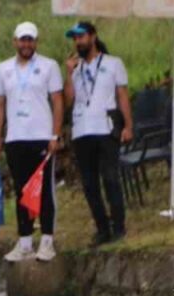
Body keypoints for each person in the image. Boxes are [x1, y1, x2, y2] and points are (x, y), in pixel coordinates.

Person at [0, 21, 65, 263]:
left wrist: (55, 134)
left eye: (30, 40)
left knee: (44, 191)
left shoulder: (48, 66)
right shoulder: (4, 69)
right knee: (22, 191)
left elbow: (57, 101)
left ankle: (47, 241)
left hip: (41, 137)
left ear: (36, 42)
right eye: (22, 40)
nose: (26, 44)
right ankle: (24, 242)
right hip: (15, 138)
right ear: (15, 41)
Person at [63, 21, 134, 246]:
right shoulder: (77, 68)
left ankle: (118, 226)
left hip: (105, 128)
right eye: (75, 38)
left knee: (111, 178)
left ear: (93, 37)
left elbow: (122, 95)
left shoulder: (113, 64)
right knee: (89, 183)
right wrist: (69, 73)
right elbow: (68, 100)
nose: (78, 42)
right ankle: (101, 227)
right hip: (82, 129)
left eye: (82, 37)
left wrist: (128, 126)